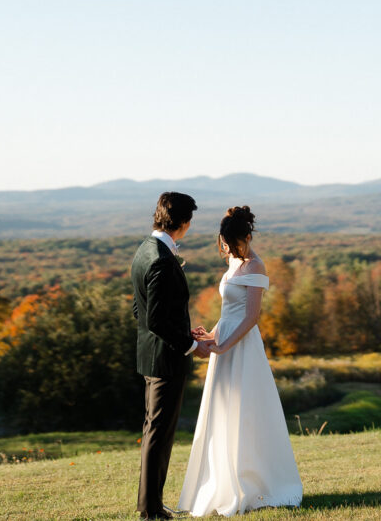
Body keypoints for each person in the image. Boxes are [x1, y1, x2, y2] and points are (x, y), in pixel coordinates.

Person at [178, 206, 303, 516]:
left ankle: (255, 480)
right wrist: (210, 336)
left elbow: (249, 318)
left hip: (242, 347)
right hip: (225, 339)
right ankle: (224, 478)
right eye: (226, 244)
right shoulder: (234, 262)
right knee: (222, 409)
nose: (230, 250)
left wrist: (223, 347)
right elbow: (229, 314)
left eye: (234, 244)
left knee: (246, 408)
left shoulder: (256, 267)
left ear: (247, 237)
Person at [132, 191, 213, 520]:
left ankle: (149, 504)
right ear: (183, 223)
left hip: (152, 355)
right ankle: (151, 509)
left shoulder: (144, 251)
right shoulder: (163, 260)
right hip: (166, 360)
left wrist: (183, 332)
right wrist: (191, 345)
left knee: (155, 430)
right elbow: (156, 319)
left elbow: (142, 309)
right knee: (159, 433)